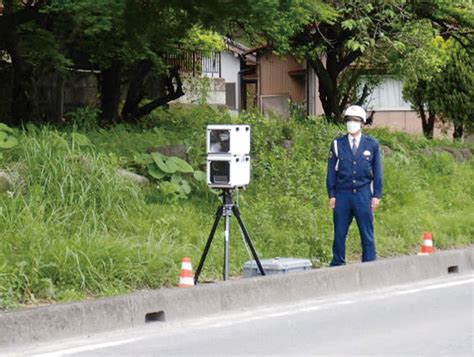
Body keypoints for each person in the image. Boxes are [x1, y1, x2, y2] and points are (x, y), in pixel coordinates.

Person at [326, 105, 383, 266]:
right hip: (342, 194)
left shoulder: (371, 144)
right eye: (349, 120)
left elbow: (378, 171)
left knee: (367, 232)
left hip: (363, 193)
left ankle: (369, 264)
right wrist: (332, 194)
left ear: (362, 123)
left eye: (355, 120)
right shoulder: (338, 143)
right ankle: (338, 263)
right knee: (339, 232)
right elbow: (331, 171)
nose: (352, 123)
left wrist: (377, 195)